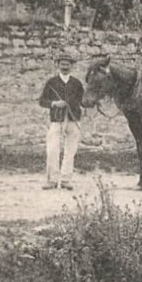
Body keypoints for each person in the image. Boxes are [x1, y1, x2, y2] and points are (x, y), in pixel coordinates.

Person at [38, 54, 84, 190]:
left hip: (73, 118)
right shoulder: (51, 82)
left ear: (71, 66)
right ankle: (52, 180)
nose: (65, 67)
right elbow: (42, 101)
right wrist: (54, 103)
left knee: (71, 150)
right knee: (52, 149)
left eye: (67, 64)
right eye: (62, 64)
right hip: (56, 119)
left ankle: (65, 180)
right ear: (58, 65)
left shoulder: (76, 83)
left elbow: (83, 100)